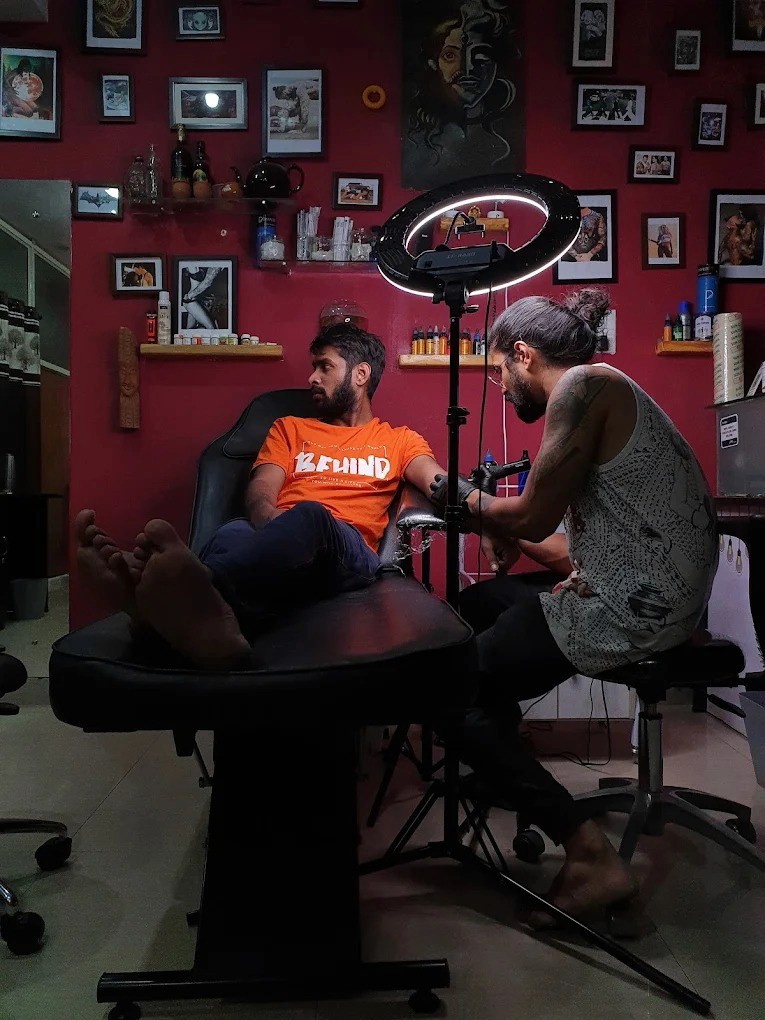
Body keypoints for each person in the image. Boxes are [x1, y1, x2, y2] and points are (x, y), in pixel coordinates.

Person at [430, 287, 717, 928]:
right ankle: (507, 762)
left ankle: (588, 853)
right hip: (633, 586)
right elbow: (560, 540)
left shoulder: (584, 389)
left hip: (636, 605)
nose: (500, 388)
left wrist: (460, 499)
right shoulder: (605, 392)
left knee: (446, 688)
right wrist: (507, 528)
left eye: (499, 372)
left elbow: (531, 513)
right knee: (477, 604)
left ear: (523, 355)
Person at [74, 323, 449, 672]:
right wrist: (270, 519)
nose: (311, 378)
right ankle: (177, 620)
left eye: (324, 367)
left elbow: (440, 483)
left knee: (309, 517)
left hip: (346, 548)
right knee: (232, 533)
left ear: (361, 374)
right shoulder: (289, 428)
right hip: (281, 538)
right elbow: (262, 489)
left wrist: (488, 513)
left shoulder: (399, 440)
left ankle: (178, 595)